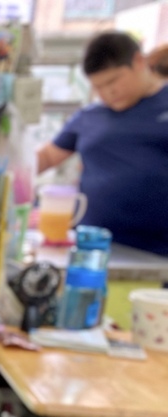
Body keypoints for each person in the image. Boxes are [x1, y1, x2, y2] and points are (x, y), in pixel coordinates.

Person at [36, 31, 168, 256]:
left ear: (138, 61)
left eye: (113, 81)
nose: (108, 92)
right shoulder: (89, 116)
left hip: (158, 251)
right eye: (98, 87)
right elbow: (47, 157)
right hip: (91, 248)